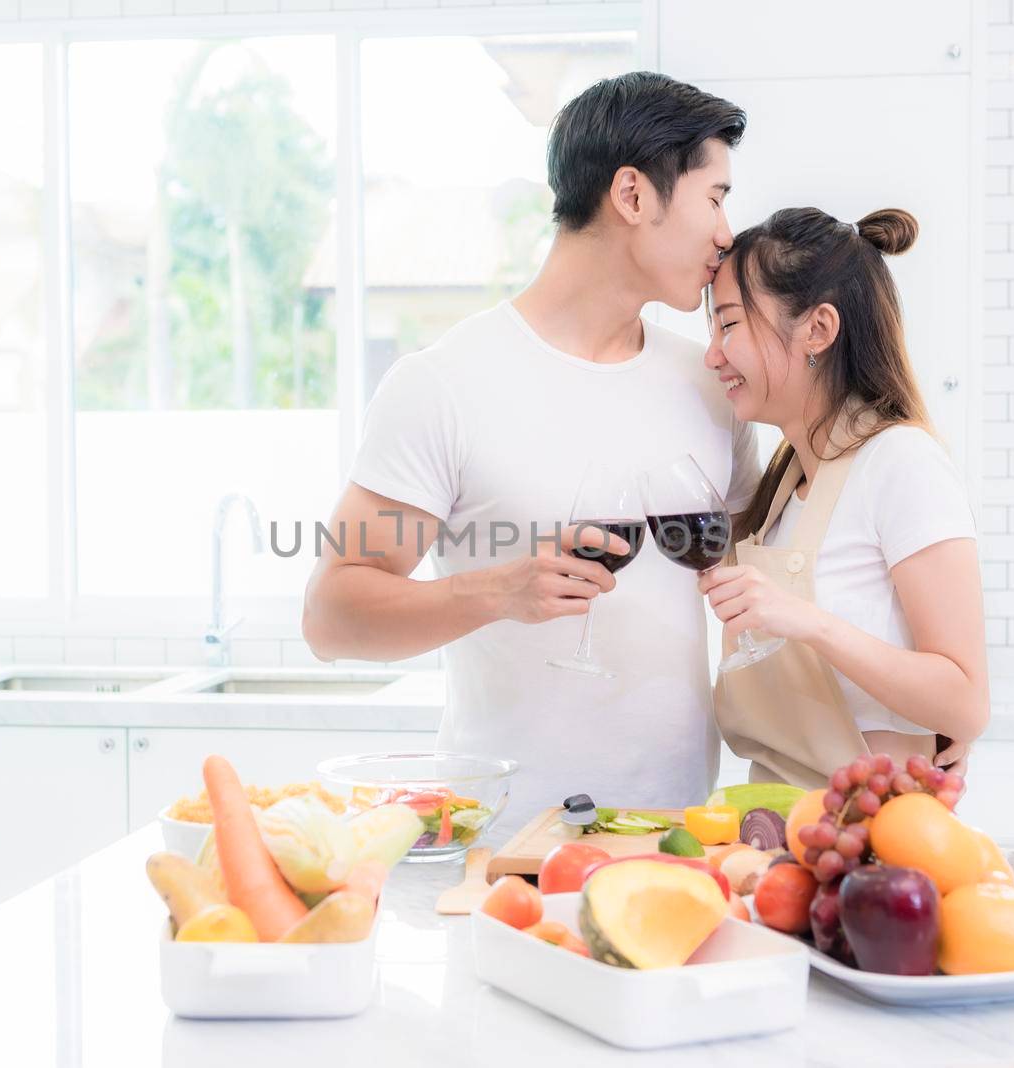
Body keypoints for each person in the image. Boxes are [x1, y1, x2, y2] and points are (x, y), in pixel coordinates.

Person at [302, 72, 762, 829]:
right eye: (714, 197)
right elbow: (329, 615)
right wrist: (497, 594)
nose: (725, 234)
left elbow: (767, 580)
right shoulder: (444, 384)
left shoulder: (711, 383)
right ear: (633, 195)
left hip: (679, 834)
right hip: (504, 841)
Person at [698, 207, 989, 789]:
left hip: (867, 843)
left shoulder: (901, 462)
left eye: (729, 324)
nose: (712, 354)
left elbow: (965, 703)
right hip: (771, 826)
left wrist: (808, 622)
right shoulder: (782, 484)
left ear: (819, 330)